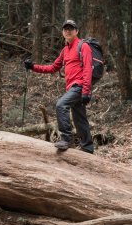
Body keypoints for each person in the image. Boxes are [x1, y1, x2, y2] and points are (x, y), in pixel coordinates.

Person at [23, 20, 94, 153]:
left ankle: (66, 139)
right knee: (80, 119)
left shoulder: (83, 46)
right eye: (65, 29)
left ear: (76, 31)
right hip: (72, 88)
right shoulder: (65, 50)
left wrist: (86, 90)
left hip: (79, 86)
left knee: (61, 105)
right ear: (62, 32)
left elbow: (88, 69)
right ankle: (88, 148)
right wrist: (33, 67)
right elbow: (53, 67)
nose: (68, 31)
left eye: (71, 29)